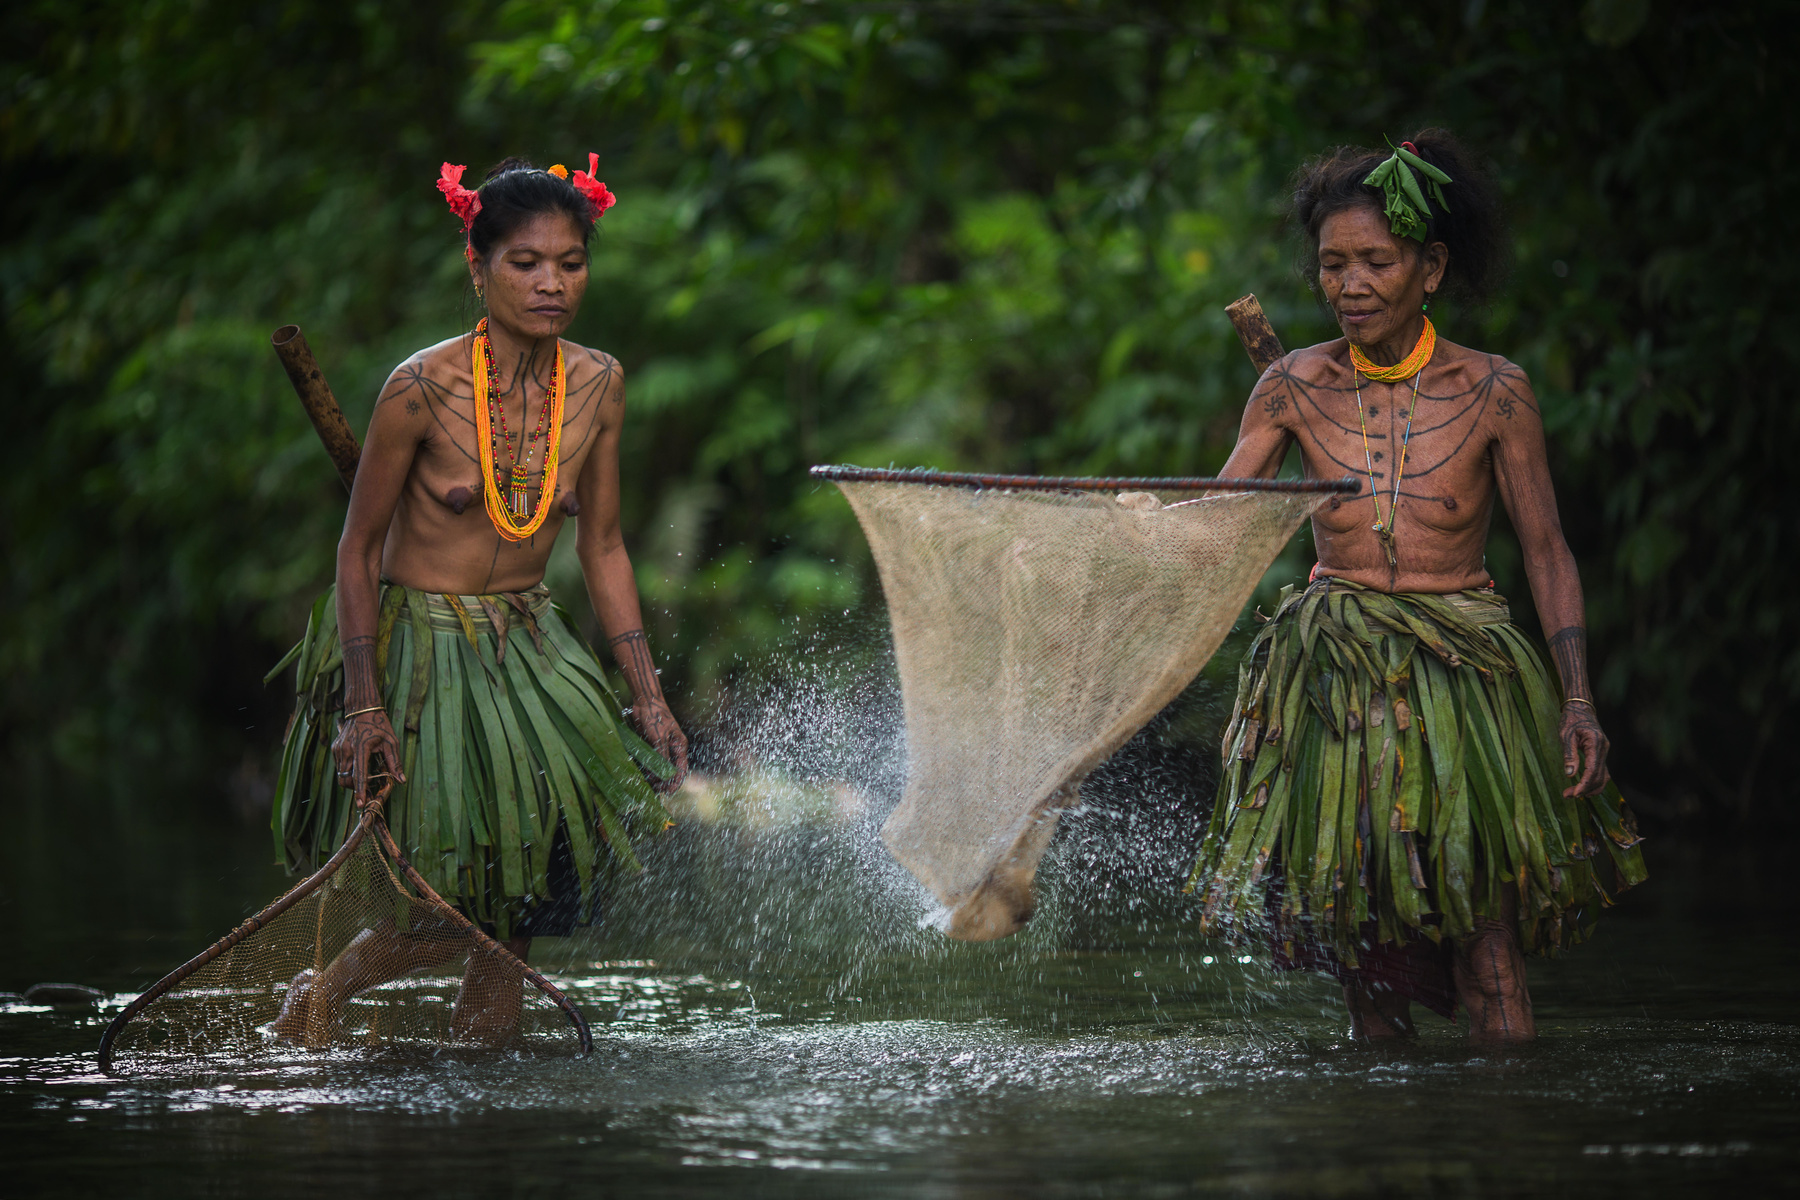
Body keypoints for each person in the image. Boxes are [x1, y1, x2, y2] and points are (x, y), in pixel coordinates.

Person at [1191, 130, 1646, 1043]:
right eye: (1331, 265)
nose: (1349, 285)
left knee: (1491, 955)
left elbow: (1549, 551)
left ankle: (1499, 1142)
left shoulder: (1495, 392)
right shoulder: (1290, 386)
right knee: (1364, 955)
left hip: (1466, 681)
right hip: (1334, 687)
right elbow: (1217, 522)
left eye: (1375, 261)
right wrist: (1150, 526)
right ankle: (1387, 1146)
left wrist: (1579, 704)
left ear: (1430, 267)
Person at [268, 155, 688, 1041]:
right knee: (447, 905)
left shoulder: (602, 385)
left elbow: (604, 544)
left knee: (528, 907)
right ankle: (318, 1001)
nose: (551, 284)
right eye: (525, 263)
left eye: (571, 263)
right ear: (478, 266)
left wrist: (647, 694)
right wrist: (365, 704)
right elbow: (358, 550)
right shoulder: (419, 389)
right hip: (422, 657)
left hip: (532, 656)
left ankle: (483, 1100)